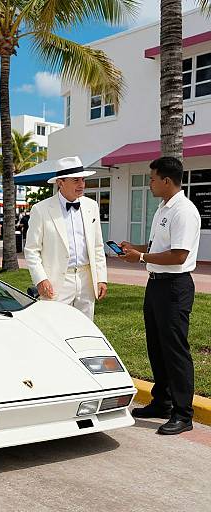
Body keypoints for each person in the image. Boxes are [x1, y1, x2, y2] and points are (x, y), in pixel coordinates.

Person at [119, 157, 201, 435]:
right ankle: (162, 401)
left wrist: (140, 256)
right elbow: (157, 247)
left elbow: (179, 256)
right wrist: (135, 249)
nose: (150, 183)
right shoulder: (163, 209)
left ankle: (183, 414)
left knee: (175, 349)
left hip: (175, 287)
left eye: (153, 178)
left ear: (167, 180)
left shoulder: (184, 212)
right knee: (156, 345)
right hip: (156, 284)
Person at [24, 156, 107, 320]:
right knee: (56, 329)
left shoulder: (92, 206)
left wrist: (101, 278)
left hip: (86, 281)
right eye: (76, 180)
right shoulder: (41, 210)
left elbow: (97, 246)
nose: (82, 185)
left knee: (85, 328)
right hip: (56, 282)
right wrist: (41, 280)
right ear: (60, 183)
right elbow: (32, 250)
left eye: (83, 180)